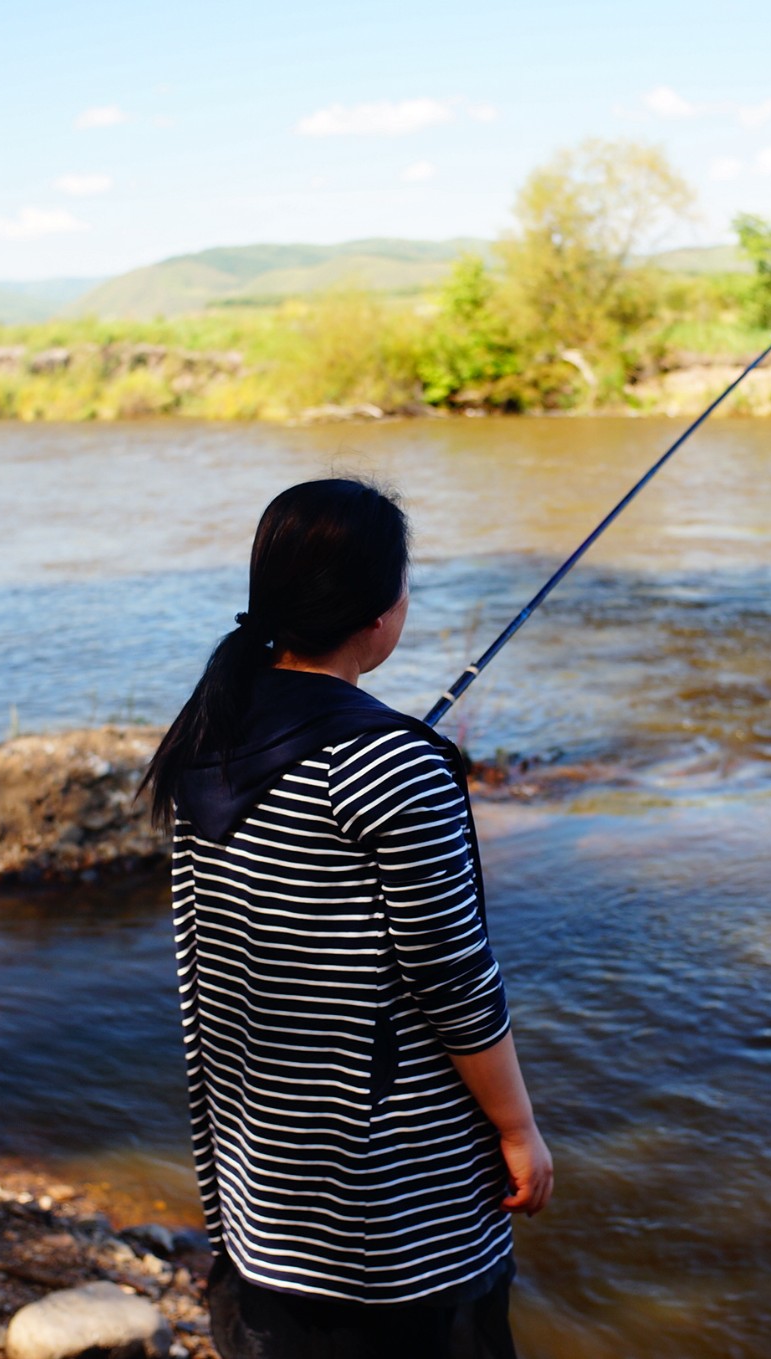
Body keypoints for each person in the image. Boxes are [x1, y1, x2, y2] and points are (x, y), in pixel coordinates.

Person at [144, 478, 552, 1359]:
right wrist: (518, 1128)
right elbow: (455, 979)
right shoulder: (393, 767)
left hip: (265, 1202)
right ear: (379, 612)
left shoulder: (208, 735)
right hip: (400, 1226)